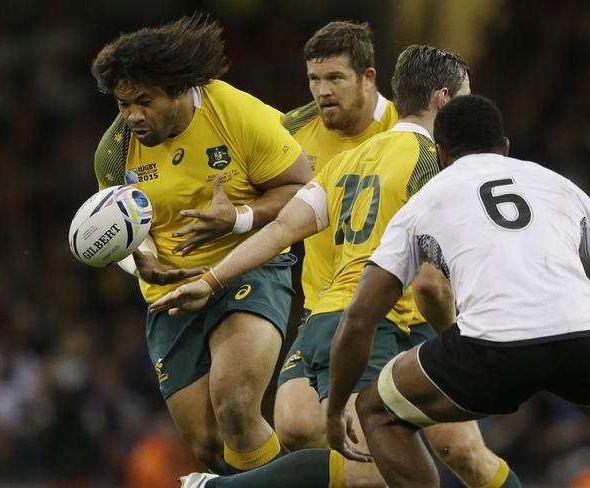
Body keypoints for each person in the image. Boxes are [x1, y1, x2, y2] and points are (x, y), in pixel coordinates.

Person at [162, 46, 519, 488]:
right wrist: (468, 343)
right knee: (374, 472)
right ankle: (221, 486)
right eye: (465, 97)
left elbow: (280, 232)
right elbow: (430, 280)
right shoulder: (434, 165)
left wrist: (212, 279)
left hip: (329, 321)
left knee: (306, 431)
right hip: (376, 324)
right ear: (444, 101)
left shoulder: (349, 159)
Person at [327, 94, 590, 488]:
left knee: (377, 410)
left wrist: (335, 410)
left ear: (441, 154)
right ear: (505, 146)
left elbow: (359, 318)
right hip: (581, 335)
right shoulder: (560, 186)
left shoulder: (423, 204)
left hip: (493, 349)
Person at [90, 14, 312, 475]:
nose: (132, 115)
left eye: (144, 101)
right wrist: (143, 260)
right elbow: (126, 224)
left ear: (178, 88)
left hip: (248, 268)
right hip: (170, 295)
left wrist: (239, 218)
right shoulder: (114, 152)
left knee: (234, 405)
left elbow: (300, 189)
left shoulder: (236, 113)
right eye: (123, 103)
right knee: (209, 447)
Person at [276, 20, 398, 452]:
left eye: (335, 78)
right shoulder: (290, 132)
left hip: (395, 311)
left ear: (368, 78)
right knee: (293, 425)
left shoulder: (406, 131)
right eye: (314, 78)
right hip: (322, 310)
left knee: (456, 449)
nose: (322, 90)